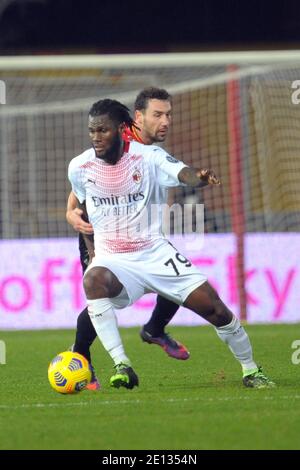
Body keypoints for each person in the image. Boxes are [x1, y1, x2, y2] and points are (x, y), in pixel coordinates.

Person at [68, 98, 275, 391]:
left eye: (103, 130)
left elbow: (183, 173)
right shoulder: (79, 166)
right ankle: (122, 365)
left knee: (216, 310)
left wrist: (198, 179)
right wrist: (92, 254)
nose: (96, 137)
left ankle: (251, 369)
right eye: (92, 131)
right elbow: (86, 210)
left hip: (154, 253)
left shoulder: (148, 156)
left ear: (122, 129)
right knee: (93, 280)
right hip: (114, 259)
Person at [66, 88, 190, 390]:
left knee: (179, 277)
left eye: (168, 115)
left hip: (141, 235)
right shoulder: (116, 143)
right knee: (101, 295)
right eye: (157, 115)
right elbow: (76, 198)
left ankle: (154, 328)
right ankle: (80, 358)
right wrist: (72, 215)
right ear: (138, 118)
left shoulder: (152, 153)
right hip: (101, 235)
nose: (165, 122)